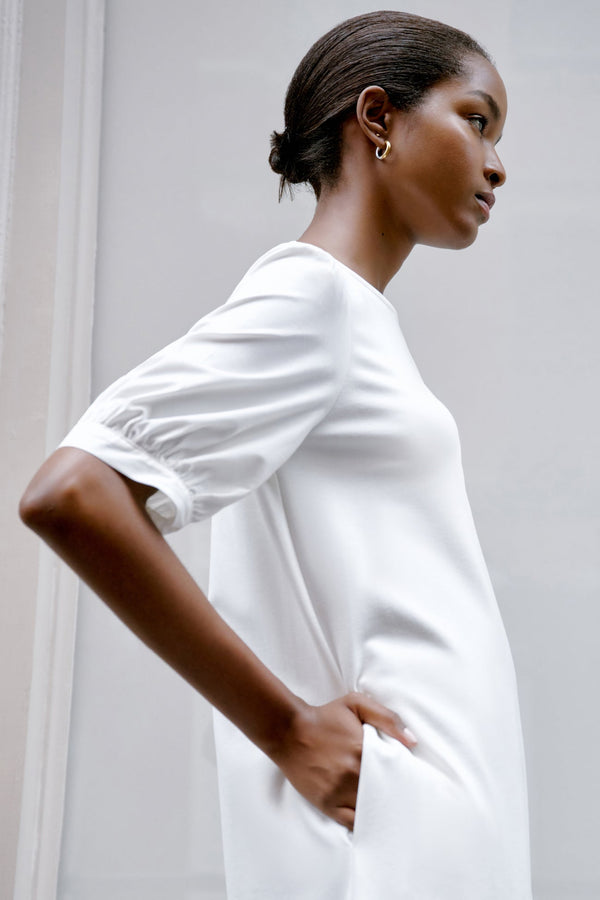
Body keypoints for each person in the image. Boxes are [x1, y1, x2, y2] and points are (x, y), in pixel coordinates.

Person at [20, 10, 532, 900]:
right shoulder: (313, 301)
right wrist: (286, 727)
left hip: (433, 811)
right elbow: (73, 492)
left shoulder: (352, 318)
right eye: (477, 120)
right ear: (378, 117)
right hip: (392, 828)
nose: (497, 165)